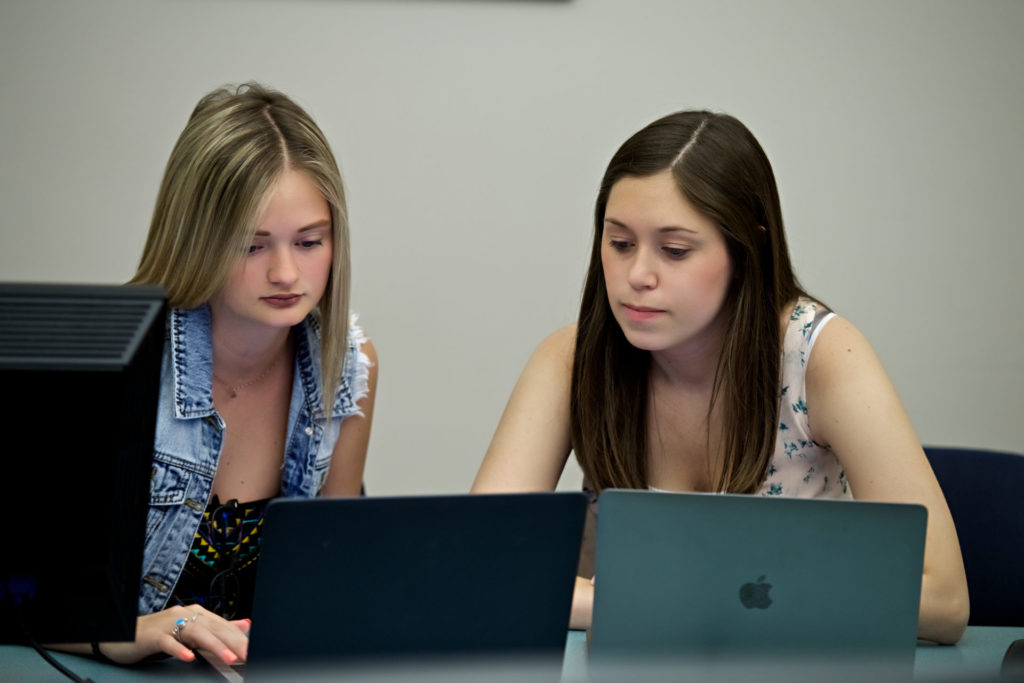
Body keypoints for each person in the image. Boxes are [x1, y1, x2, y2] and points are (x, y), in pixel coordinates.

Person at [471, 111, 969, 644]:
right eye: (619, 243)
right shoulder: (571, 360)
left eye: (675, 250)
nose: (638, 275)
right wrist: (723, 601)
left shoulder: (821, 356)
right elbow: (479, 569)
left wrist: (647, 600)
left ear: (745, 250)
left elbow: (942, 600)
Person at [59, 83, 378, 665]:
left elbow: (332, 585)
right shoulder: (115, 365)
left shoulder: (348, 368)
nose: (286, 272)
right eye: (252, 246)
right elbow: (25, 605)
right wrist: (130, 631)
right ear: (197, 239)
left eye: (309, 241)